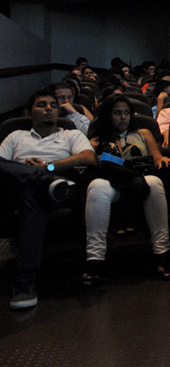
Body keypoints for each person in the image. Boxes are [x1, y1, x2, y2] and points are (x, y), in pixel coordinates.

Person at [0, 89, 97, 309]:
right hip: (17, 188)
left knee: (33, 195)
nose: (49, 109)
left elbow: (88, 157)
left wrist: (49, 167)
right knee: (31, 186)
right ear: (28, 112)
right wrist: (26, 170)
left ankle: (25, 282)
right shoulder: (15, 136)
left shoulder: (70, 135)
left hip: (60, 190)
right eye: (41, 105)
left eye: (53, 105)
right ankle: (40, 179)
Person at [83, 95, 170, 284]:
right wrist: (128, 167)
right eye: (117, 113)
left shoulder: (143, 133)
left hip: (141, 181)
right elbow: (95, 163)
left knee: (155, 182)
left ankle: (162, 253)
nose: (123, 117)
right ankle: (94, 258)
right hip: (111, 183)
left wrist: (164, 160)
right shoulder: (95, 141)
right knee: (97, 186)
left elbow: (157, 157)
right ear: (108, 116)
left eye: (126, 113)